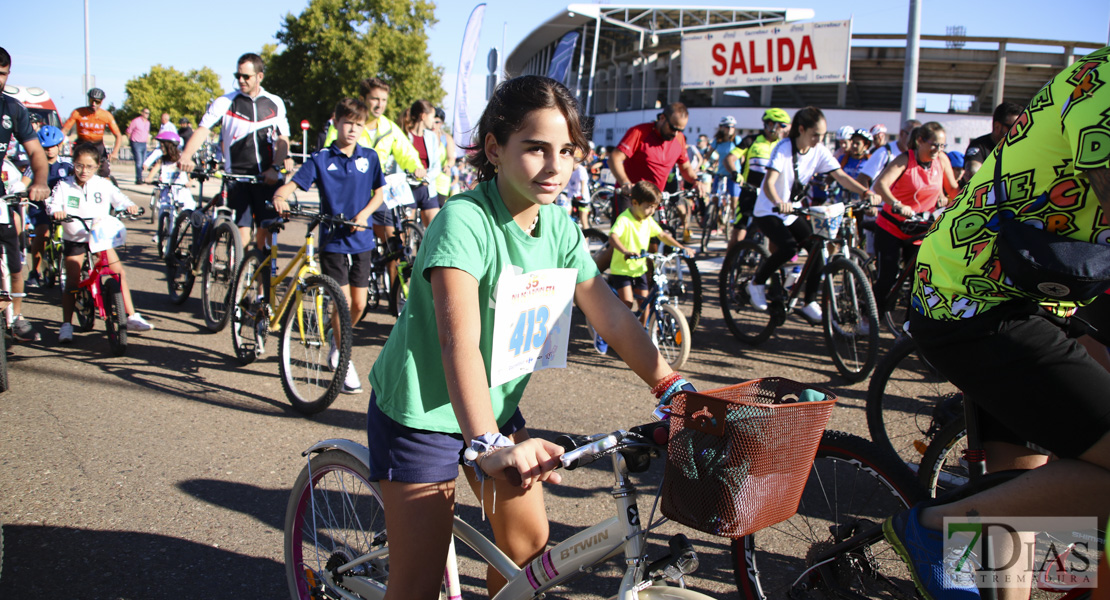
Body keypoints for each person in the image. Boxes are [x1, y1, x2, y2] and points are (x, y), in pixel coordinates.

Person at [365, 75, 694, 600]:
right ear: (494, 148)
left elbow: (607, 312)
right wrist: (488, 442)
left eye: (566, 150)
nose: (555, 166)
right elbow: (459, 343)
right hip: (421, 414)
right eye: (536, 148)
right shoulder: (464, 221)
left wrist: (670, 385)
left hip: (491, 410)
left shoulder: (560, 228)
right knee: (417, 584)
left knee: (529, 550)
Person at [887, 46, 1110, 600]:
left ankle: (1065, 582)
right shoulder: (1105, 82)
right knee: (1051, 480)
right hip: (975, 296)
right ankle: (934, 529)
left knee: (1035, 487)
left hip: (1033, 291)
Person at [272, 98, 384, 395]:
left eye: (359, 124)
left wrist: (364, 215)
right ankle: (343, 357)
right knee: (344, 303)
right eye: (348, 122)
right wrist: (281, 195)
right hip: (333, 240)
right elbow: (294, 184)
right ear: (336, 122)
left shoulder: (369, 157)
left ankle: (336, 340)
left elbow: (380, 193)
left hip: (362, 237)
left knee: (359, 304)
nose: (353, 129)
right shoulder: (321, 158)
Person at [746, 106, 876, 323]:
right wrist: (779, 202)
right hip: (769, 209)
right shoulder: (784, 148)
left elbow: (841, 176)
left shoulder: (819, 150)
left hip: (793, 211)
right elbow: (768, 182)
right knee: (788, 248)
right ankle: (756, 283)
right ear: (801, 129)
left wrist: (865, 192)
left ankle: (809, 302)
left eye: (823, 135)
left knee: (818, 246)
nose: (819, 139)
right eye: (815, 134)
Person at [179, 52, 291, 250]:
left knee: (264, 235)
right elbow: (203, 130)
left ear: (259, 77)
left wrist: (275, 167)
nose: (240, 80)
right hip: (236, 177)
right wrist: (186, 155)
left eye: (246, 77)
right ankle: (239, 276)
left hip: (266, 177)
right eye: (237, 76)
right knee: (242, 233)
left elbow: (283, 139)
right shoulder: (226, 101)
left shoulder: (275, 102)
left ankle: (257, 278)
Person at [48, 143, 154, 342]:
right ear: (73, 164)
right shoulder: (64, 185)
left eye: (89, 166)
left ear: (97, 166)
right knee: (71, 282)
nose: (83, 171)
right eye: (79, 166)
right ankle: (66, 324)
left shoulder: (103, 184)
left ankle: (131, 316)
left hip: (99, 237)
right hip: (76, 238)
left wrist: (130, 206)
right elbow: (52, 204)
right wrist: (56, 211)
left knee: (117, 272)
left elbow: (120, 199)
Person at [321, 77, 425, 261]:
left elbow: (406, 151)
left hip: (378, 193)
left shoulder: (388, 127)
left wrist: (417, 167)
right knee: (355, 239)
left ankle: (395, 288)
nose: (380, 105)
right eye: (375, 99)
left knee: (395, 243)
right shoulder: (347, 125)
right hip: (350, 193)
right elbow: (328, 153)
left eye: (384, 100)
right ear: (363, 98)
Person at [870, 122, 959, 304]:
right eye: (934, 144)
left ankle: (910, 327)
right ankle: (868, 316)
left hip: (920, 229)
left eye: (942, 145)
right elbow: (880, 185)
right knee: (887, 277)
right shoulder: (905, 160)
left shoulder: (941, 160)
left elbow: (953, 189)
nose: (937, 149)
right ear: (920, 141)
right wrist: (897, 204)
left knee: (920, 282)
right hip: (891, 227)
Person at [0, 46, 50, 342]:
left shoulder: (12, 109)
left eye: (3, 74)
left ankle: (16, 315)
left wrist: (40, 181)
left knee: (15, 261)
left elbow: (36, 153)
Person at [608, 181, 692, 321]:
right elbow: (613, 237)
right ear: (635, 203)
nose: (652, 212)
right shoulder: (624, 219)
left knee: (644, 304)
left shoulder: (647, 220)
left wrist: (682, 248)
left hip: (640, 269)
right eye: (648, 207)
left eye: (654, 207)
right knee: (627, 304)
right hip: (622, 270)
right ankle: (616, 331)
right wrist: (625, 251)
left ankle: (641, 334)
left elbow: (663, 235)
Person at [609, 102, 699, 223]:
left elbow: (685, 167)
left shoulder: (679, 139)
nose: (675, 133)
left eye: (680, 130)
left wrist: (696, 181)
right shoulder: (640, 132)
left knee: (656, 238)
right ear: (662, 118)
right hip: (631, 196)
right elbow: (615, 158)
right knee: (625, 238)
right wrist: (625, 183)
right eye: (673, 128)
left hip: (654, 198)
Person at [728, 107, 791, 249]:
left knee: (775, 240)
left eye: (785, 126)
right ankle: (728, 265)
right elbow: (730, 158)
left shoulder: (783, 145)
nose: (783, 129)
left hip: (770, 195)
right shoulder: (752, 140)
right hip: (749, 192)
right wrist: (734, 172)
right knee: (739, 234)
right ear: (770, 125)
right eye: (781, 125)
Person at [20, 126, 71, 289]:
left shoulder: (67, 166)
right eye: (46, 147)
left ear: (59, 146)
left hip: (62, 208)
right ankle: (35, 272)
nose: (50, 150)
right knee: (43, 233)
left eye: (53, 146)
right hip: (40, 208)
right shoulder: (33, 166)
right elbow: (24, 184)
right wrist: (22, 192)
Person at [142, 130, 196, 242]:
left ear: (169, 146)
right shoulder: (162, 160)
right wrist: (149, 178)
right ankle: (161, 232)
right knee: (163, 209)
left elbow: (189, 173)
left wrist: (189, 181)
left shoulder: (181, 158)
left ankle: (185, 228)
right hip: (167, 188)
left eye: (162, 146)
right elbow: (155, 169)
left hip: (180, 188)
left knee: (188, 207)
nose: (161, 148)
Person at [61, 87, 123, 178]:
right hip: (82, 144)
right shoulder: (78, 112)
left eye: (97, 102)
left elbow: (118, 135)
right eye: (91, 100)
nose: (93, 104)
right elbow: (65, 130)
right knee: (76, 171)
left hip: (98, 146)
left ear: (101, 102)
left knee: (105, 172)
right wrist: (58, 144)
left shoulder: (106, 115)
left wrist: (115, 152)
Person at [960, 101, 1023, 187]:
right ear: (997, 127)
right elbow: (972, 172)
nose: (1019, 132)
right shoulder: (980, 146)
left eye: (1022, 127)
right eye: (1014, 128)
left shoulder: (1020, 148)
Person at [401, 99, 443, 225]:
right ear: (423, 116)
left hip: (427, 187)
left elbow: (437, 165)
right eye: (432, 116)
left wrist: (427, 176)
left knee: (435, 227)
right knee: (406, 231)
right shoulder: (404, 136)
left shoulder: (431, 137)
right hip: (407, 187)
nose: (434, 120)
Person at [857, 119, 921, 189]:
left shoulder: (919, 156)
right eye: (912, 136)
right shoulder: (884, 152)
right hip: (881, 199)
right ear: (902, 133)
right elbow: (862, 178)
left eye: (919, 137)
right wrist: (868, 195)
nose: (916, 140)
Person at [432, 107, 456, 205]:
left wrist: (448, 166)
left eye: (437, 122)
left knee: (437, 210)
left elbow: (451, 158)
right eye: (433, 121)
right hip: (426, 178)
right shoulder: (424, 135)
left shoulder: (446, 138)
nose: (434, 124)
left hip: (441, 179)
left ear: (441, 123)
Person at [125, 108, 151, 183]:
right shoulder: (136, 121)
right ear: (142, 113)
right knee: (139, 161)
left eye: (148, 113)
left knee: (143, 161)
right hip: (136, 143)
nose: (147, 115)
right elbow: (128, 131)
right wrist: (131, 141)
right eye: (145, 113)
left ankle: (140, 176)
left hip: (144, 143)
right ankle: (139, 179)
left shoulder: (148, 123)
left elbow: (147, 133)